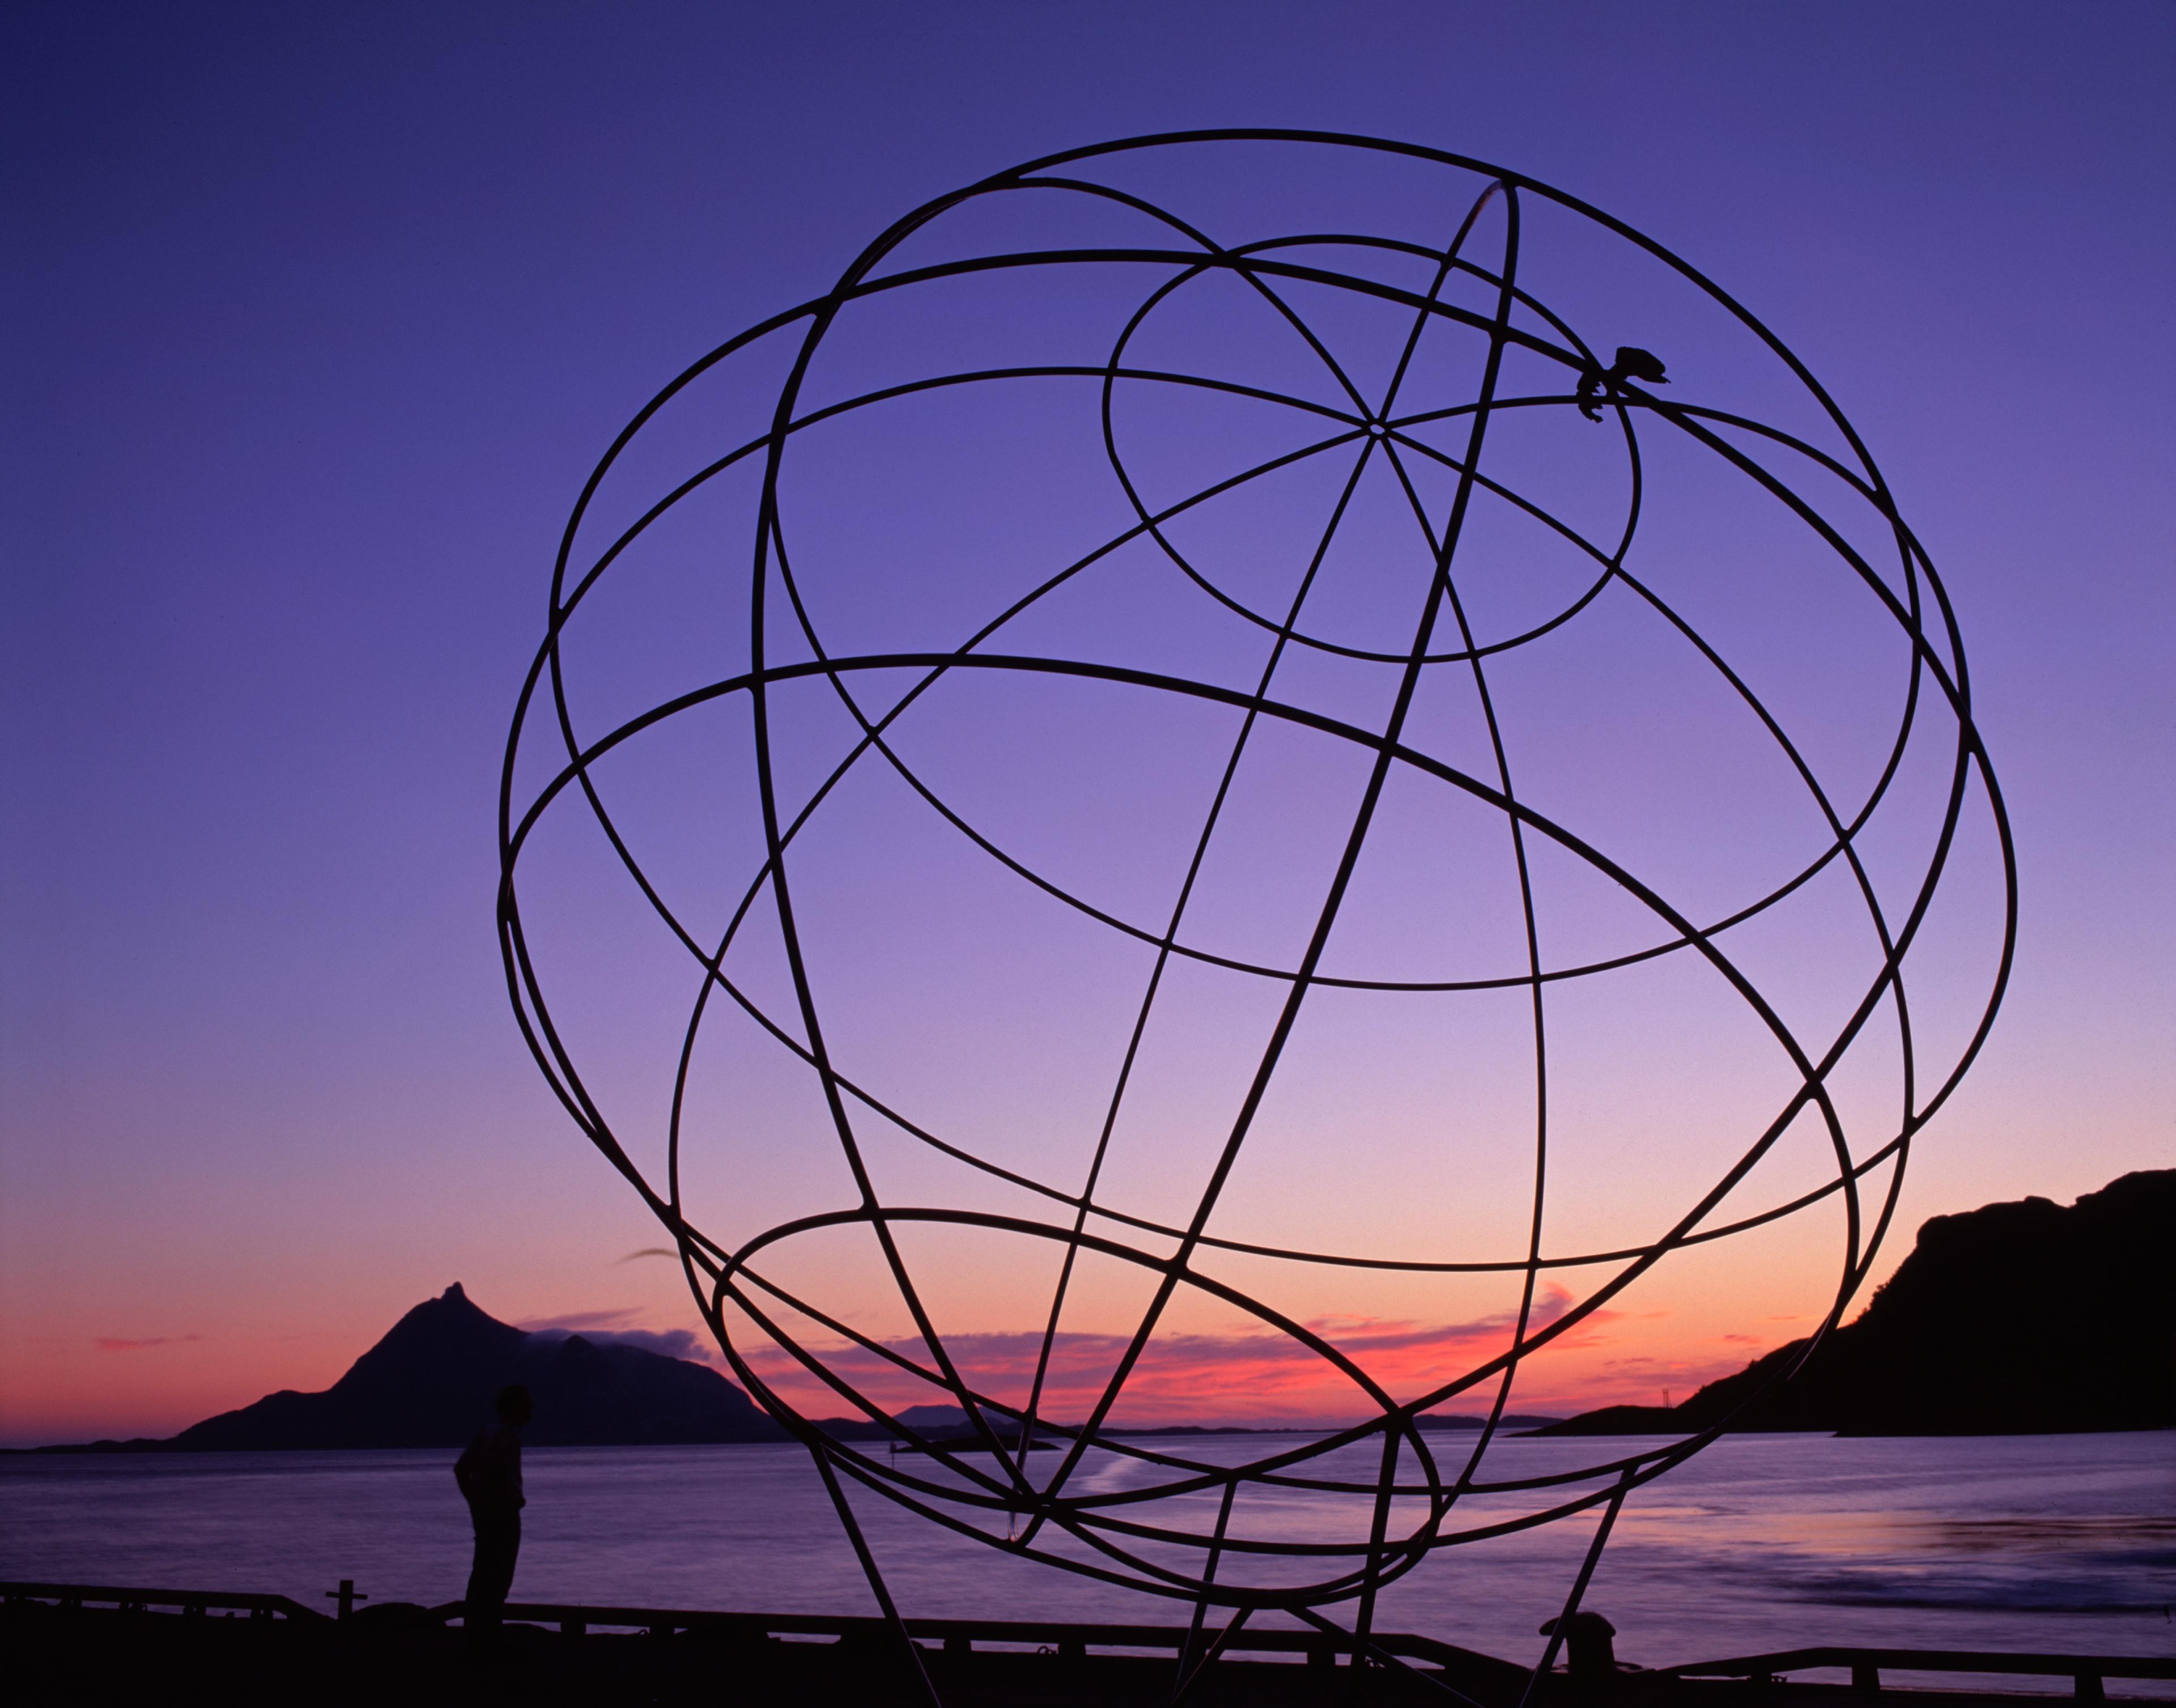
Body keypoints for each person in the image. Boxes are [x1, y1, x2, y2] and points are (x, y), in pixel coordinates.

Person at [454, 1383, 532, 1637]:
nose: (531, 1409)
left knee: (483, 1572)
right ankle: (486, 1635)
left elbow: (461, 1469)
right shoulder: (507, 1436)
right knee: (499, 1574)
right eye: (526, 1404)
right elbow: (492, 1471)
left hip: (487, 1512)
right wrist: (499, 1499)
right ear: (514, 1408)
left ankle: (476, 1630)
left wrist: (474, 1504)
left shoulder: (487, 1432)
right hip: (503, 1513)